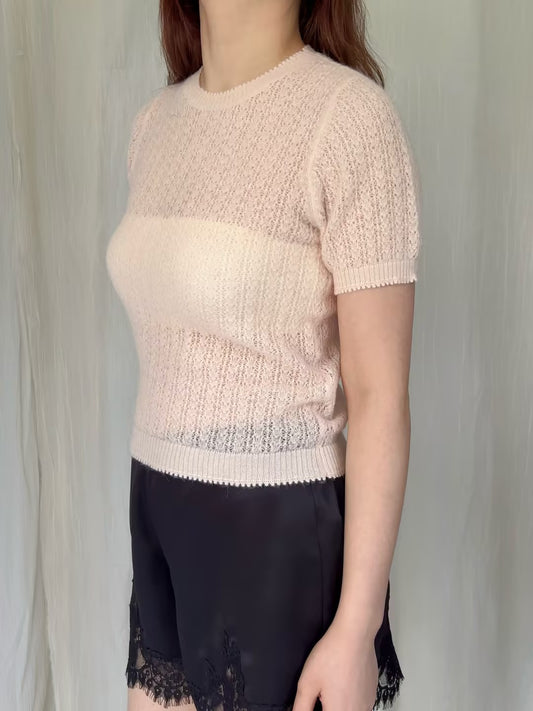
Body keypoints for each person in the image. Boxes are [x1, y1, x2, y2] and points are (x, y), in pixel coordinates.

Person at [105, 1, 422, 709]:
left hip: (272, 533)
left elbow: (379, 396)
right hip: (157, 511)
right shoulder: (154, 126)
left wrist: (356, 626)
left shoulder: (348, 120)